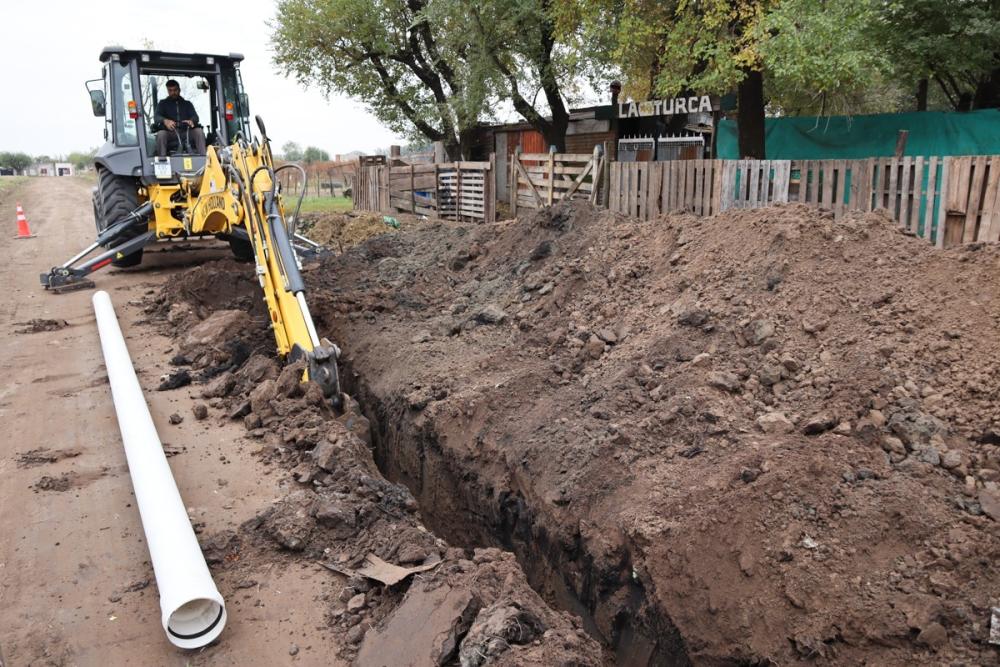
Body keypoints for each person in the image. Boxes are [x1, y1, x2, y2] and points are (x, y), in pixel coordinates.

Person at [154, 79, 206, 156]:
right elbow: (157, 117)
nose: (173, 92)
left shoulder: (187, 104)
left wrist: (191, 121)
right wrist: (165, 121)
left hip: (186, 132)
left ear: (179, 90)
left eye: (175, 90)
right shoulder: (162, 103)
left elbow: (195, 117)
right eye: (170, 90)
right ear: (168, 91)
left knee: (199, 132)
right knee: (161, 134)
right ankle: (162, 161)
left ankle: (204, 159)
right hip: (170, 133)